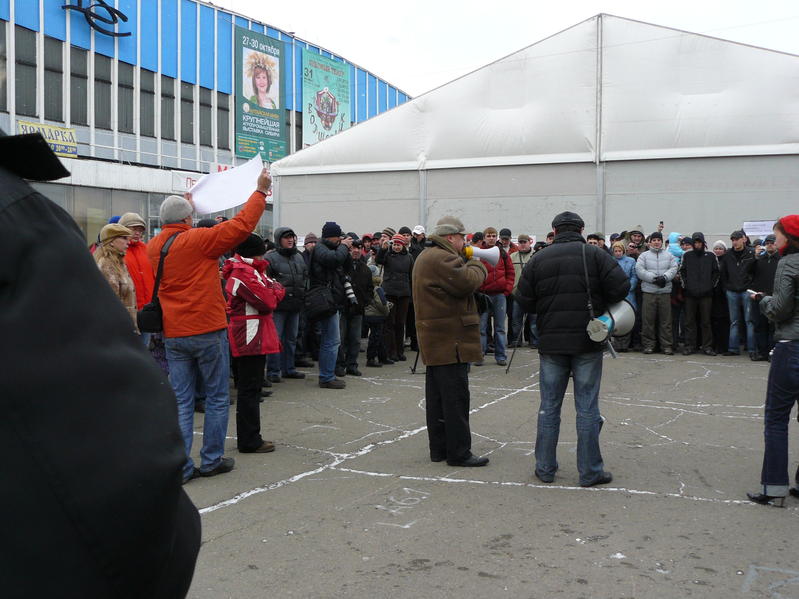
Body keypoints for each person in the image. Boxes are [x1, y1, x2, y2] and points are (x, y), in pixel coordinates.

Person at [1, 130, 199, 596]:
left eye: (137, 231)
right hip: (121, 331)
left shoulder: (136, 255)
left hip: (132, 325)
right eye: (127, 233)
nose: (134, 237)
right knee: (171, 385)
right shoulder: (28, 221)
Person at [148, 168, 272, 482]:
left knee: (181, 400)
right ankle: (211, 460)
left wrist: (185, 207)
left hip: (173, 331)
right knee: (217, 397)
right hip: (206, 327)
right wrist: (260, 191)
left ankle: (182, 466)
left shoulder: (153, 246)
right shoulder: (199, 240)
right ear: (187, 218)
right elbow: (242, 225)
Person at [515, 211, 629, 486]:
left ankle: (545, 468)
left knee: (549, 406)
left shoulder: (539, 258)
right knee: (587, 408)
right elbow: (620, 289)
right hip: (587, 340)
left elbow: (523, 299)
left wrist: (546, 308)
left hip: (551, 341)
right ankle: (590, 471)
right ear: (581, 229)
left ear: (554, 230)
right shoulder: (595, 255)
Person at [412, 216, 489, 467]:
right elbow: (466, 283)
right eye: (462, 238)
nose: (465, 242)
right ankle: (459, 452)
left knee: (438, 399)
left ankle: (440, 449)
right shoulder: (442, 258)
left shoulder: (428, 256)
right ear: (450, 237)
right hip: (450, 340)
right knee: (456, 400)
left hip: (437, 339)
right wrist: (477, 264)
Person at [746, 215, 799, 507]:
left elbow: (780, 309)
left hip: (792, 346)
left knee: (777, 418)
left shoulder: (788, 263)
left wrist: (762, 300)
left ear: (789, 238)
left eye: (777, 234)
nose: (774, 239)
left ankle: (775, 486)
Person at [222, 233, 284, 453]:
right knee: (249, 389)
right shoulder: (243, 272)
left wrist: (273, 290)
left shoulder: (250, 270)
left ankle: (250, 437)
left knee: (252, 388)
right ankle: (249, 440)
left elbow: (273, 289)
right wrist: (274, 290)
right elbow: (268, 300)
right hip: (249, 335)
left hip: (254, 333)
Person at [309, 221, 352, 389]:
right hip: (325, 300)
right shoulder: (320, 248)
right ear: (331, 236)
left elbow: (345, 266)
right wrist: (344, 247)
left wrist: (345, 249)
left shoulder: (332, 248)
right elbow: (333, 260)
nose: (340, 239)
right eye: (338, 237)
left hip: (332, 299)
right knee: (331, 340)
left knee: (331, 339)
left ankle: (327, 375)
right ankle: (326, 376)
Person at [265, 227, 308, 382]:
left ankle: (289, 369)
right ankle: (273, 371)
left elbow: (305, 277)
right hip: (278, 307)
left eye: (292, 237)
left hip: (295, 305)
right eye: (286, 237)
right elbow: (266, 282)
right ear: (279, 240)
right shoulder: (270, 258)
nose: (290, 240)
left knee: (291, 338)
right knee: (276, 339)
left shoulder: (299, 257)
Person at [476, 226, 514, 366]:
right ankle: (479, 355)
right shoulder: (478, 253)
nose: (491, 238)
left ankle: (501, 356)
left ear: (496, 237)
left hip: (499, 295)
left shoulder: (502, 253)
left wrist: (507, 290)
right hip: (483, 295)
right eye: (488, 236)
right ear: (484, 238)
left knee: (500, 328)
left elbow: (510, 272)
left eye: (493, 236)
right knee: (481, 328)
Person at [636, 231, 678, 355]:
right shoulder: (643, 256)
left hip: (665, 292)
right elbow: (639, 269)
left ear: (661, 242)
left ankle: (666, 346)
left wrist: (664, 278)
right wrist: (654, 279)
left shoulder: (669, 255)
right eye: (654, 240)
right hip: (649, 292)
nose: (656, 242)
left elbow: (674, 268)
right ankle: (649, 345)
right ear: (650, 242)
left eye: (658, 240)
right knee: (648, 320)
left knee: (666, 321)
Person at [336, 239, 373, 376]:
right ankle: (339, 365)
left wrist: (365, 302)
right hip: (343, 308)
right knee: (340, 339)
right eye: (353, 248)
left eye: (359, 248)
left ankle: (352, 365)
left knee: (355, 340)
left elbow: (370, 289)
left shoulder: (366, 269)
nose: (356, 250)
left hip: (358, 310)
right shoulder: (342, 266)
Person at [679, 232, 719, 356]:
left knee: (706, 322)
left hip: (706, 295)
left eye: (699, 242)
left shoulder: (711, 256)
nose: (697, 244)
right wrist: (686, 286)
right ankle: (690, 346)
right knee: (689, 322)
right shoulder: (687, 255)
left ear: (703, 243)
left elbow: (716, 273)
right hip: (690, 294)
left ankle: (707, 346)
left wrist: (710, 286)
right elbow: (682, 271)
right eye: (695, 242)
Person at [94, 223, 139, 335]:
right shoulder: (106, 265)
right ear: (111, 241)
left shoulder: (119, 262)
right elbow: (111, 304)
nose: (128, 242)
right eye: (124, 238)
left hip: (125, 327)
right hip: (117, 330)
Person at [376, 233, 414, 362]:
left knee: (400, 323)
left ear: (403, 245)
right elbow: (378, 260)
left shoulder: (409, 257)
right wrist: (383, 249)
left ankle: (399, 351)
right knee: (390, 323)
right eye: (395, 244)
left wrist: (411, 292)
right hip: (390, 292)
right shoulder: (387, 255)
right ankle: (391, 351)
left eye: (399, 245)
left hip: (404, 294)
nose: (397, 247)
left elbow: (412, 275)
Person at [119, 212, 155, 345]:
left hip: (146, 311)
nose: (137, 233)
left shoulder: (147, 249)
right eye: (133, 229)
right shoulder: (117, 251)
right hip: (126, 311)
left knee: (144, 349)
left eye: (140, 229)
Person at [719, 229, 757, 356]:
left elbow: (755, 272)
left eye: (737, 239)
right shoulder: (728, 255)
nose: (735, 242)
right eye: (733, 240)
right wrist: (726, 288)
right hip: (732, 291)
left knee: (749, 321)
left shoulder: (751, 253)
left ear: (743, 239)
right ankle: (733, 348)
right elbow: (723, 273)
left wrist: (751, 287)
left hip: (747, 291)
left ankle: (752, 349)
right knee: (734, 321)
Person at [749, 234, 781, 361]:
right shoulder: (759, 259)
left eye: (772, 243)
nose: (769, 245)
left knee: (773, 327)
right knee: (759, 326)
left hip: (775, 298)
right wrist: (755, 257)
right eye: (767, 243)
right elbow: (748, 272)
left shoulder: (781, 259)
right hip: (758, 297)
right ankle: (762, 352)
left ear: (776, 244)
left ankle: (772, 353)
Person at [509, 234, 536, 348]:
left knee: (534, 320)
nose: (523, 244)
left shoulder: (535, 255)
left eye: (525, 242)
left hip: (533, 294)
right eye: (520, 242)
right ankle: (516, 341)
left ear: (530, 242)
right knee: (516, 320)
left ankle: (534, 341)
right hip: (517, 294)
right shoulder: (512, 256)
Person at [610, 240, 638, 352]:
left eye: (619, 251)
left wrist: (629, 287)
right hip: (615, 293)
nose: (618, 253)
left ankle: (625, 345)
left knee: (628, 317)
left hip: (628, 294)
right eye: (615, 251)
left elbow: (634, 276)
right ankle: (617, 344)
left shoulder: (631, 261)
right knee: (616, 318)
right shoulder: (610, 261)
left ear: (623, 251)